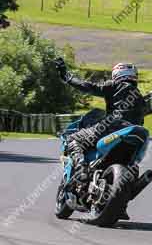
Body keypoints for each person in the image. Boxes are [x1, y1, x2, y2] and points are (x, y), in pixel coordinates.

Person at [55, 59, 146, 219]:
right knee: (133, 167)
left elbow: (87, 86)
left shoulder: (115, 86)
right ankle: (121, 205)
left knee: (74, 140)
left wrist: (67, 76)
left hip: (111, 128)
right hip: (136, 134)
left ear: (117, 74)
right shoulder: (140, 98)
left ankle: (82, 170)